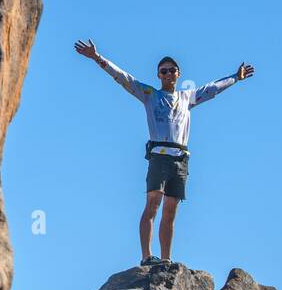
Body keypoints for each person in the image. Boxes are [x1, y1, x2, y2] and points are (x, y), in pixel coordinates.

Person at [73, 39, 254, 265]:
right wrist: (97, 58)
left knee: (170, 212)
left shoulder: (187, 98)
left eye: (172, 70)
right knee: (152, 205)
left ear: (178, 74)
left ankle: (166, 259)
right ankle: (146, 256)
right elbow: (124, 78)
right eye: (163, 71)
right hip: (159, 157)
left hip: (180, 159)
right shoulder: (150, 95)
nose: (168, 74)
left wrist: (236, 77)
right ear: (159, 75)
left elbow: (212, 89)